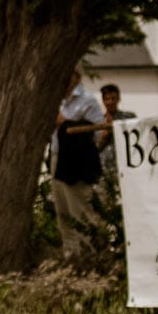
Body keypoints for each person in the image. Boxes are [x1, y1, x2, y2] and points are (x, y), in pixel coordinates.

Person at [51, 69, 108, 259]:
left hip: (77, 162)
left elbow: (98, 134)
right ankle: (71, 255)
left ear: (77, 76)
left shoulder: (88, 100)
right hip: (57, 156)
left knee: (81, 210)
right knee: (62, 211)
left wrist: (64, 123)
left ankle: (90, 254)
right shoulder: (54, 97)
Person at [95, 82, 137, 192]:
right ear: (103, 101)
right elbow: (95, 148)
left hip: (125, 166)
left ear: (118, 98)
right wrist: (104, 135)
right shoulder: (98, 121)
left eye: (113, 98)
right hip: (105, 168)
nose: (110, 102)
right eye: (107, 99)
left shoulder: (128, 117)